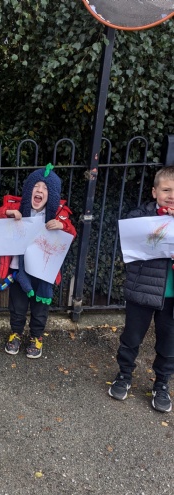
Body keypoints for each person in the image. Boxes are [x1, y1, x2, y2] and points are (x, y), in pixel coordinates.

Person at [0, 163, 76, 358]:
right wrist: (7, 213)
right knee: (17, 307)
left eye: (45, 188)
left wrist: (62, 226)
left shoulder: (59, 214)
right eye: (36, 186)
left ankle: (36, 337)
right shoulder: (15, 207)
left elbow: (71, 233)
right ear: (29, 190)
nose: (40, 190)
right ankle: (16, 334)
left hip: (43, 273)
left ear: (52, 195)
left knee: (40, 308)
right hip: (18, 271)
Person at [108, 166, 174, 413]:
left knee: (169, 343)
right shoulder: (140, 216)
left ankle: (162, 384)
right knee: (132, 337)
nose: (171, 196)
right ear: (155, 192)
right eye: (166, 190)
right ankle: (124, 375)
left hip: (171, 297)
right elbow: (129, 239)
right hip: (143, 290)